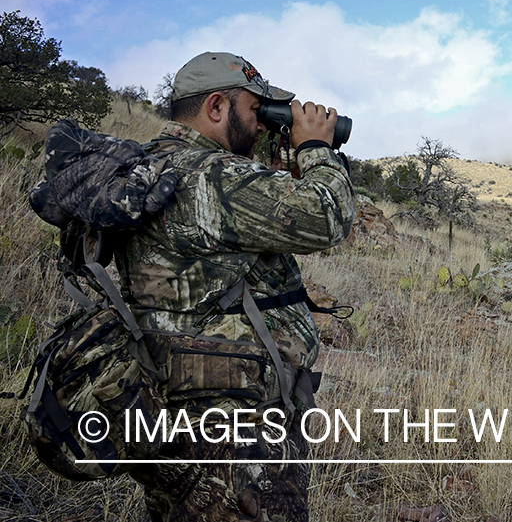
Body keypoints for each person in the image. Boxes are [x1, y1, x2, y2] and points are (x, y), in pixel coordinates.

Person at [123, 52, 355, 522]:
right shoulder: (211, 176)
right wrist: (315, 148)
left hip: (177, 402)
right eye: (255, 110)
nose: (263, 124)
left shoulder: (156, 166)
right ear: (216, 107)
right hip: (237, 424)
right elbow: (328, 216)